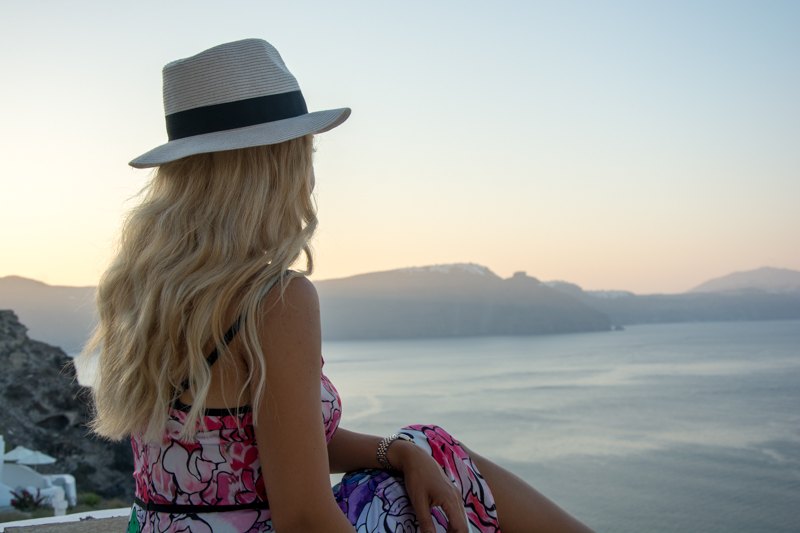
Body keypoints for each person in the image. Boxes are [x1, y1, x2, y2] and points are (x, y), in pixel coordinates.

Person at [83, 38, 593, 533]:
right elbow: (304, 520)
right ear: (275, 167)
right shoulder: (274, 302)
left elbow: (251, 447)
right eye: (304, 151)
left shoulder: (143, 291)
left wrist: (394, 451)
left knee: (422, 446)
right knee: (440, 451)